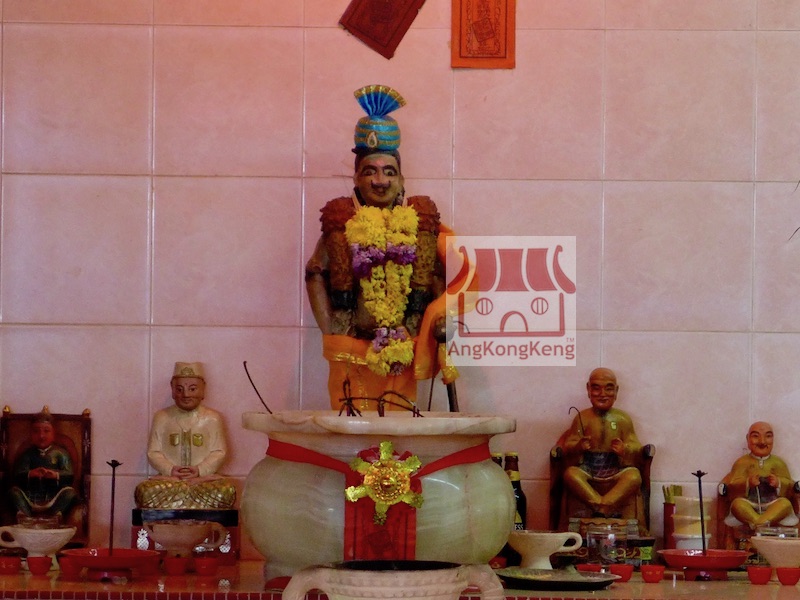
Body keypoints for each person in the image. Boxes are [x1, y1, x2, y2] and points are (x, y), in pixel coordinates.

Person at [305, 84, 459, 411]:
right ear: (356, 179)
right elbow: (315, 271)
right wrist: (331, 328)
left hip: (403, 346)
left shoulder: (420, 224)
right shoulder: (341, 222)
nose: (380, 181)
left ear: (402, 179)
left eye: (389, 172)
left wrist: (435, 321)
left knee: (398, 427)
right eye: (369, 172)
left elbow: (437, 277)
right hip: (350, 346)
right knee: (351, 428)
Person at [134, 362, 235, 509]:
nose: (186, 394)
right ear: (172, 390)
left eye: (192, 389)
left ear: (203, 389)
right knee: (145, 492)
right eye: (179, 389)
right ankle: (187, 498)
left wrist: (200, 470)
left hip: (202, 481)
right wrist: (170, 470)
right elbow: (153, 452)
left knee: (226, 491)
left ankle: (185, 498)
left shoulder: (212, 418)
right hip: (170, 481)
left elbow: (219, 452)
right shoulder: (162, 417)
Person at [560, 368, 643, 518]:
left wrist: (625, 449)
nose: (602, 394)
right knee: (571, 474)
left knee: (633, 476)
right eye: (596, 388)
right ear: (588, 389)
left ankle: (601, 509)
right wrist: (579, 446)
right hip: (588, 469)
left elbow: (636, 446)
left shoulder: (623, 419)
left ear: (616, 391)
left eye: (609, 388)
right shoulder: (582, 418)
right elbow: (568, 445)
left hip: (615, 469)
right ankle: (602, 506)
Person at [722, 421, 797, 530]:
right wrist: (748, 483)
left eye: (768, 436)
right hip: (749, 503)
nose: (762, 441)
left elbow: (790, 486)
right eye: (756, 436)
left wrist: (779, 483)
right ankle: (762, 524)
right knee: (737, 505)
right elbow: (732, 485)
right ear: (748, 439)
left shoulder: (779, 463)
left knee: (785, 504)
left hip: (772, 503)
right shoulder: (741, 463)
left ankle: (757, 524)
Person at [10, 409, 80, 521]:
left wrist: (55, 475)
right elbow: (17, 475)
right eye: (36, 431)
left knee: (70, 493)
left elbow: (70, 475)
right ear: (31, 434)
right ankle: (26, 517)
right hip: (30, 496)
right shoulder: (27, 454)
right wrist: (31, 474)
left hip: (54, 496)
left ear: (53, 433)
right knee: (14, 492)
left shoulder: (61, 453)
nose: (41, 436)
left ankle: (54, 517)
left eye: (46, 431)